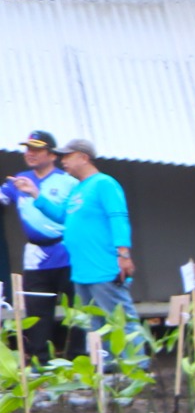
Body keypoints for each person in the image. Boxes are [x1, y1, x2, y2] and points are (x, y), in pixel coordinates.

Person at [3, 130, 73, 360]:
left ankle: (81, 358)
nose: (30, 153)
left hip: (68, 251)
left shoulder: (68, 182)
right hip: (35, 255)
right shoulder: (19, 180)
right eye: (27, 149)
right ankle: (39, 361)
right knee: (37, 310)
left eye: (37, 149)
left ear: (52, 155)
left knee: (78, 310)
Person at [53, 140, 132, 328]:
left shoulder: (104, 183)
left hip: (102, 267)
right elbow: (61, 215)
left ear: (84, 157)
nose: (62, 161)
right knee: (95, 326)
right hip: (82, 271)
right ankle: (103, 359)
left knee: (121, 323)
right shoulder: (77, 189)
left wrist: (123, 253)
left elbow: (118, 217)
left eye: (67, 156)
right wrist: (34, 194)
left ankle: (136, 358)